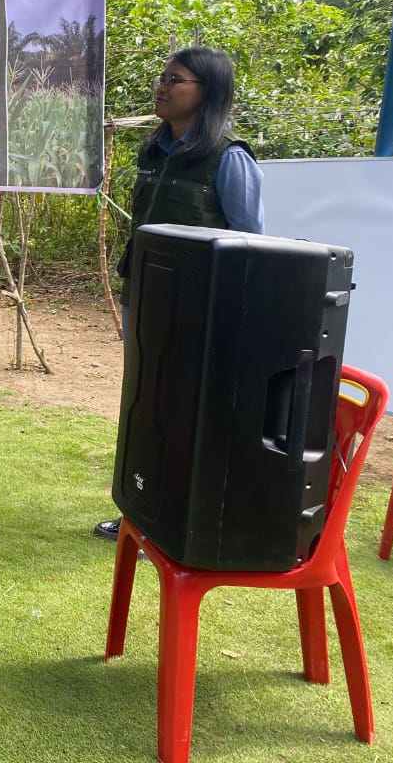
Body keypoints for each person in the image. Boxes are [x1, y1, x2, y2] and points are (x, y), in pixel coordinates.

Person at [94, 47, 264, 540]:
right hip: (143, 299)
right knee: (144, 403)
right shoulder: (154, 150)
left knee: (183, 412)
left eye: (176, 79)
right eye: (162, 77)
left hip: (199, 311)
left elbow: (249, 245)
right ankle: (139, 512)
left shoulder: (229, 157)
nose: (162, 86)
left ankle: (173, 523)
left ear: (206, 91)